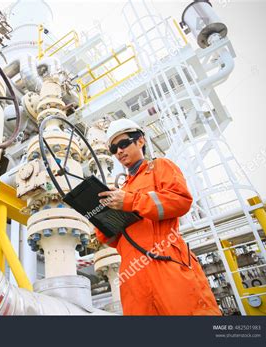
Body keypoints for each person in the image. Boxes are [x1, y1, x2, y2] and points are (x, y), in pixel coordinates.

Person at [95, 118, 221, 315]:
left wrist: (129, 201)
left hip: (165, 263)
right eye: (113, 148)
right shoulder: (122, 190)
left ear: (140, 141)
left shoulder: (160, 167)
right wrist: (100, 216)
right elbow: (113, 240)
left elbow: (180, 200)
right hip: (133, 276)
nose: (119, 151)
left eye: (123, 144)